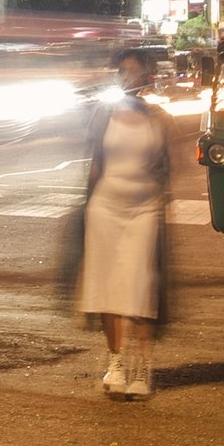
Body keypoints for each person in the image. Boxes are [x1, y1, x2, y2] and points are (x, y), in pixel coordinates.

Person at [74, 50, 176, 399]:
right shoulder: (103, 115)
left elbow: (165, 170)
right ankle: (116, 361)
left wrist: (165, 205)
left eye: (136, 72)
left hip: (144, 208)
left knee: (141, 284)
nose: (129, 78)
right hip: (106, 208)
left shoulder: (159, 117)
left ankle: (143, 367)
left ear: (148, 78)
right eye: (123, 72)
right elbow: (95, 165)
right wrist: (85, 211)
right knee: (107, 287)